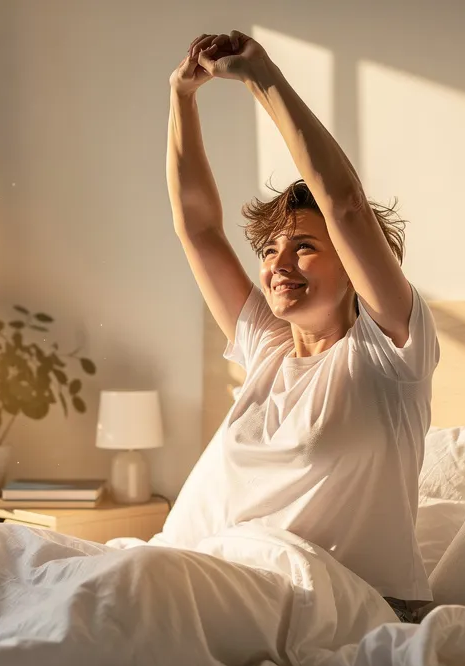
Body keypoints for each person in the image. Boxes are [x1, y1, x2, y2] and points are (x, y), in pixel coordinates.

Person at [161, 31, 440, 621]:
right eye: (271, 249)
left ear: (352, 260)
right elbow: (199, 230)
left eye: (306, 247)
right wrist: (182, 99)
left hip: (332, 606)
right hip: (205, 581)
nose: (278, 265)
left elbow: (344, 204)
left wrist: (263, 75)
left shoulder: (388, 352)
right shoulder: (265, 346)